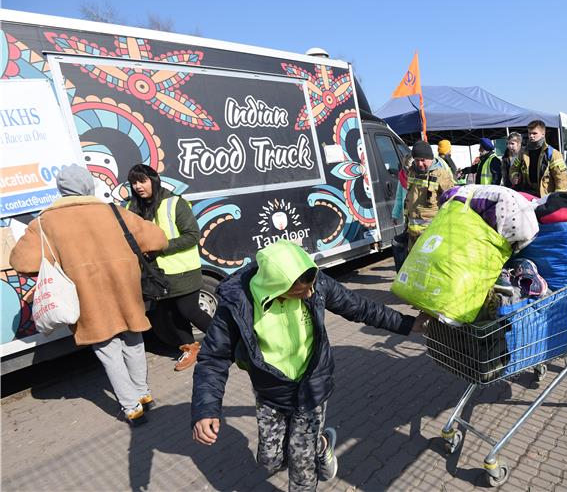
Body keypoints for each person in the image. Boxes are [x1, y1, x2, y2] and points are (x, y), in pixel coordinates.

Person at [191, 240, 427, 491]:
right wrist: (205, 410)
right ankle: (322, 444)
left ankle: (313, 450)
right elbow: (213, 358)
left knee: (302, 466)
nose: (310, 294)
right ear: (275, 287)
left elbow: (360, 307)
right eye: (299, 292)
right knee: (270, 460)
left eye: (311, 287)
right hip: (271, 394)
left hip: (312, 389)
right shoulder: (237, 302)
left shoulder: (316, 282)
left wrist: (408, 324)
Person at [10, 165, 168, 425]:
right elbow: (158, 240)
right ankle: (144, 394)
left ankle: (131, 408)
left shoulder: (44, 222)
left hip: (88, 299)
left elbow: (22, 262)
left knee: (108, 351)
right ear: (87, 186)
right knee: (134, 341)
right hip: (124, 291)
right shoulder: (114, 212)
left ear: (62, 189)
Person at [126, 164, 212, 371]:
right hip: (154, 275)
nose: (138, 186)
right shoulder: (131, 208)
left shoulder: (174, 203)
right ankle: (190, 348)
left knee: (189, 310)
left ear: (153, 180)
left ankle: (230, 339)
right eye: (134, 182)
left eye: (142, 181)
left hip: (181, 270)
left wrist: (161, 248)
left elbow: (192, 235)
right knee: (171, 315)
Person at [404, 140, 455, 251]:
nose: (420, 164)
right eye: (417, 160)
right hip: (412, 234)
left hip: (432, 235)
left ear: (430, 158)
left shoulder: (441, 174)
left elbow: (452, 201)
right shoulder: (411, 172)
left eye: (423, 160)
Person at [509, 119, 567, 197]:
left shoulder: (553, 153)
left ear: (543, 134)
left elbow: (561, 177)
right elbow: (513, 167)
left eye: (534, 133)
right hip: (527, 193)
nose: (531, 136)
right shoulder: (523, 152)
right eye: (529, 133)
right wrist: (514, 176)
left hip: (545, 195)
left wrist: (559, 197)